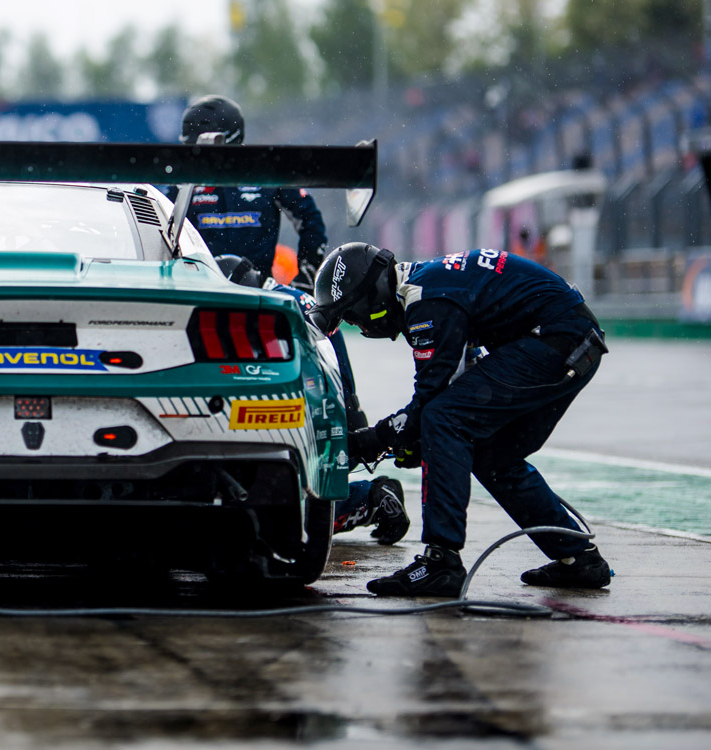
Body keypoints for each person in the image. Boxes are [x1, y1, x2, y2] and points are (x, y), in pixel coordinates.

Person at [307, 242, 612, 597]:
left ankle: (441, 562)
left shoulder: (426, 301)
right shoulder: (427, 288)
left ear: (370, 296)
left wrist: (368, 441)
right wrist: (408, 440)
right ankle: (580, 559)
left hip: (558, 340)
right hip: (568, 339)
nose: (359, 325)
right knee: (492, 455)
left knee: (443, 419)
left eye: (353, 315)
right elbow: (455, 387)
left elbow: (431, 404)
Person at [214, 254, 410, 546]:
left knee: (275, 521)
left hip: (314, 417)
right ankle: (368, 495)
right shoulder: (292, 297)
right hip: (337, 411)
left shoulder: (266, 308)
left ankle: (370, 499)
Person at [174, 94, 327, 292]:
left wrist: (306, 275)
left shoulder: (266, 173)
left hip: (258, 293)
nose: (196, 157)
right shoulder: (183, 183)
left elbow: (310, 219)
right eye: (191, 149)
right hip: (200, 290)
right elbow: (163, 231)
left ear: (229, 140)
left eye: (201, 149)